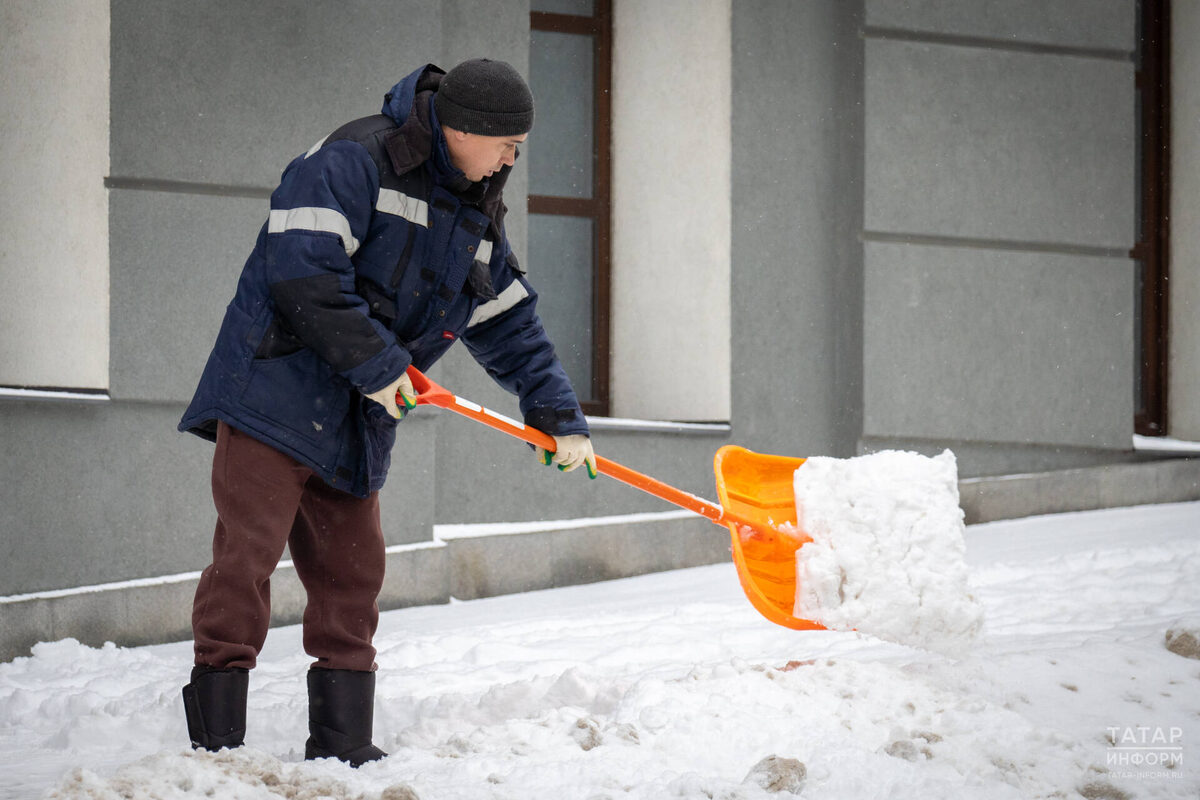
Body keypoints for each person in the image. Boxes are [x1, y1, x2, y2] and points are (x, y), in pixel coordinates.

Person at [177, 58, 596, 766]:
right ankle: (216, 748)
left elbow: (510, 324)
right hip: (274, 393)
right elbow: (300, 273)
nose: (512, 159)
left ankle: (343, 749)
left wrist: (558, 415)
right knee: (247, 558)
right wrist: (379, 368)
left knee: (353, 575)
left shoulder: (473, 209)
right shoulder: (351, 161)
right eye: (507, 144)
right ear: (463, 129)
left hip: (356, 417)